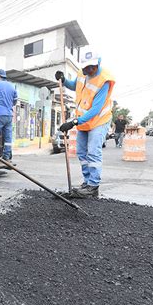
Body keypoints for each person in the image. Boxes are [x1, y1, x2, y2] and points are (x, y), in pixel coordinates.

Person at [55, 49, 115, 198]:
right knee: (81, 152)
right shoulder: (82, 74)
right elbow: (73, 85)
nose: (88, 70)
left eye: (92, 67)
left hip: (99, 120)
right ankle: (87, 182)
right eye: (85, 67)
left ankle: (93, 186)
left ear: (98, 63)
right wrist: (63, 80)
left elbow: (95, 109)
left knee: (93, 152)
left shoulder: (104, 80)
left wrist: (74, 122)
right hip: (84, 120)